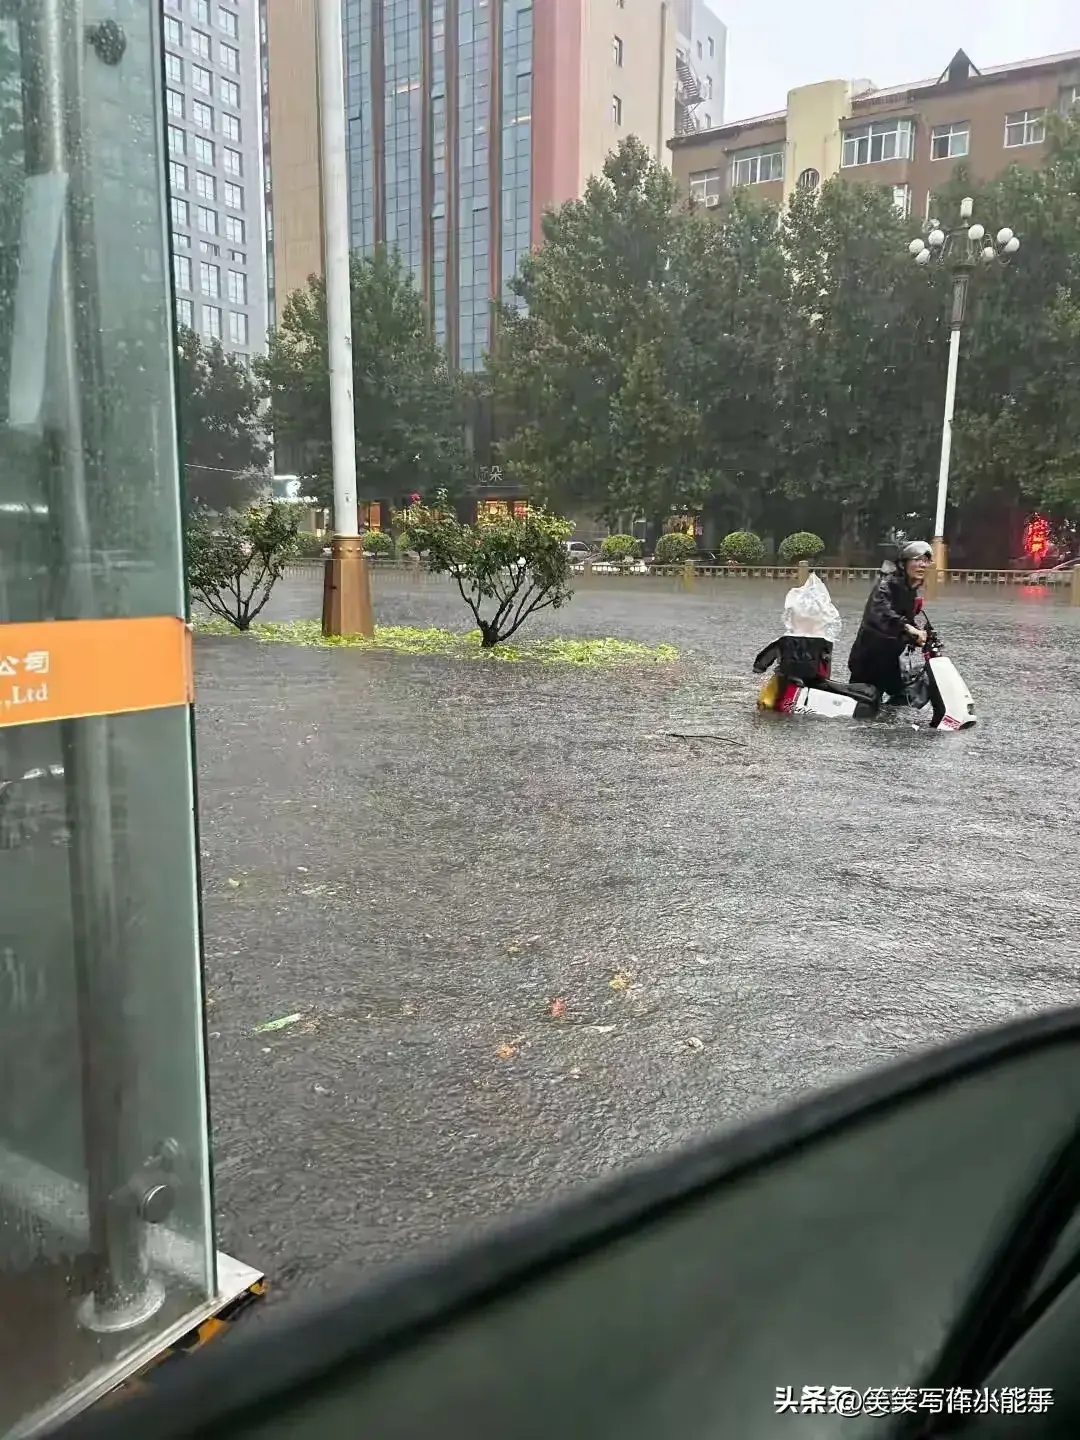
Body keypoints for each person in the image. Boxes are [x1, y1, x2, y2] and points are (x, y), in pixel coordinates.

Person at [848, 541, 932, 703]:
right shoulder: (885, 586)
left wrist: (919, 635)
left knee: (908, 693)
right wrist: (909, 628)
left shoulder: (909, 589)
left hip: (892, 659)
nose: (922, 565)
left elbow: (905, 619)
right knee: (863, 707)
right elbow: (881, 614)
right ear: (903, 564)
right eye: (917, 560)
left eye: (925, 560)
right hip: (870, 658)